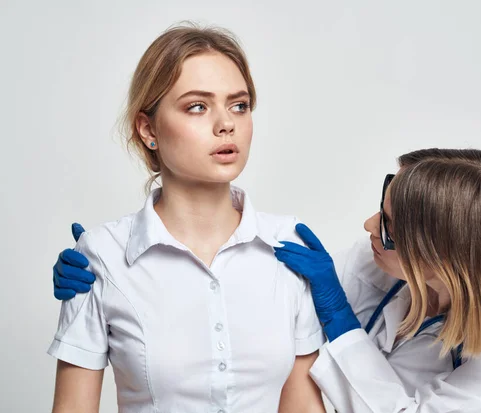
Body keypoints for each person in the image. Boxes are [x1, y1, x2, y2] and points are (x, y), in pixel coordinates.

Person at [47, 24, 326, 413]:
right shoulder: (101, 257)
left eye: (239, 105)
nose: (226, 123)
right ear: (148, 130)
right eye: (197, 106)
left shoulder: (288, 248)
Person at [273, 148, 481, 412]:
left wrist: (339, 318)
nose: (370, 226)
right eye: (382, 211)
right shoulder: (382, 260)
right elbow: (289, 306)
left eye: (389, 225)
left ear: (446, 259)